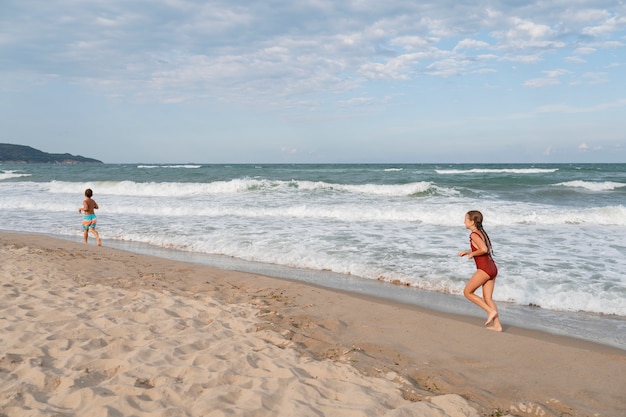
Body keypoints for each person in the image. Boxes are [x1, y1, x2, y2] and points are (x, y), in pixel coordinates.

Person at [458, 210, 501, 331]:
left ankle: (489, 311)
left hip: (484, 269)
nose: (464, 222)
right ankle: (497, 325)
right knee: (488, 298)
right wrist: (468, 252)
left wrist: (472, 254)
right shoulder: (482, 233)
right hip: (492, 268)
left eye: (466, 219)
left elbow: (483, 249)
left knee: (467, 292)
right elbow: (482, 249)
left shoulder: (473, 235)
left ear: (472, 222)